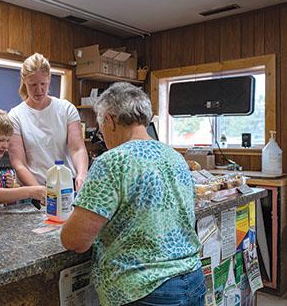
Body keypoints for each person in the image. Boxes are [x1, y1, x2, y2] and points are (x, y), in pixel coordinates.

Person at [61, 82, 205, 305]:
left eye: (101, 127)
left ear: (110, 120)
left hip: (143, 290)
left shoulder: (112, 161)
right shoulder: (175, 157)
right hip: (192, 280)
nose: (103, 136)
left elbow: (75, 240)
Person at [8, 53, 88, 191]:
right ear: (23, 80)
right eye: (33, 85)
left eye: (43, 84)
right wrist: (40, 191)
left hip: (65, 187)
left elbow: (77, 149)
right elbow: (19, 164)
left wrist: (82, 174)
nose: (39, 90)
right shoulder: (15, 116)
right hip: (33, 189)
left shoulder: (66, 109)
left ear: (49, 78)